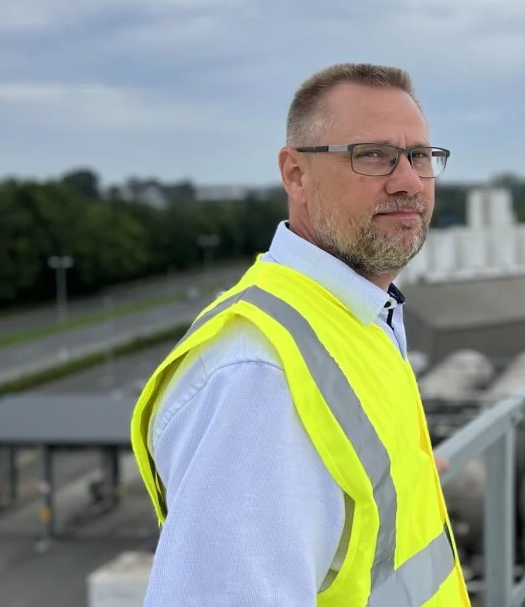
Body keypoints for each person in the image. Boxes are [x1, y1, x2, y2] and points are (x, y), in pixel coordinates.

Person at [129, 63, 471, 606]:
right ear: (295, 175)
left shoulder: (354, 315)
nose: (408, 181)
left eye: (420, 157)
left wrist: (405, 473)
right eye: (373, 155)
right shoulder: (258, 375)